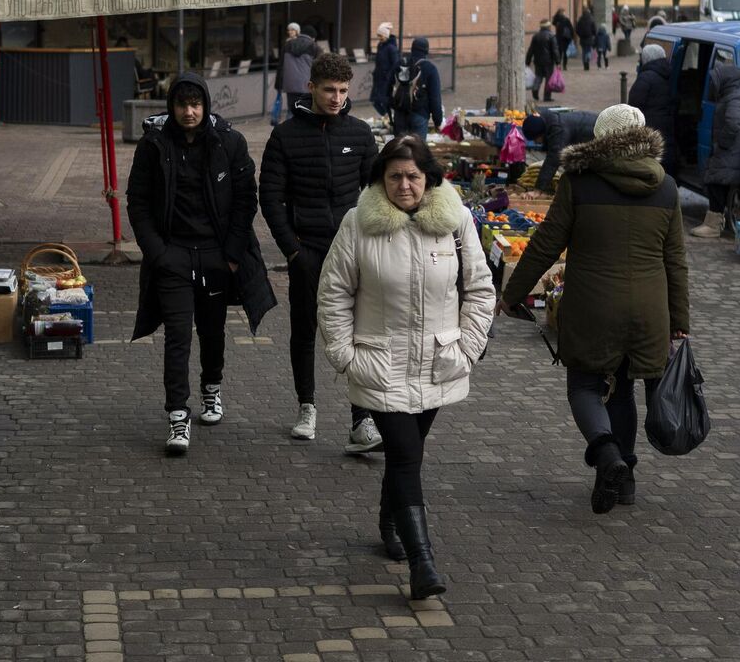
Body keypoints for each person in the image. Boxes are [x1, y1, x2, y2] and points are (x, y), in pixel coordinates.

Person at [316, 136, 494, 599]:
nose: (404, 185)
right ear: (380, 179)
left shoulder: (454, 225)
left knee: (404, 457)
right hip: (380, 366)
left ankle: (388, 521)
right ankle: (423, 562)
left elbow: (479, 288)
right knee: (406, 455)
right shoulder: (358, 225)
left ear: (429, 179)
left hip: (439, 363)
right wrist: (345, 357)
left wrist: (469, 347)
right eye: (394, 176)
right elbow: (333, 293)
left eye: (413, 175)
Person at [498, 105, 690, 513]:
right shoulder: (667, 187)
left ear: (600, 140)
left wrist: (512, 293)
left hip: (592, 307)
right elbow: (675, 261)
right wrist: (680, 322)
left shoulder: (579, 182)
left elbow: (546, 244)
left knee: (585, 387)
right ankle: (627, 482)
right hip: (649, 311)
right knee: (624, 391)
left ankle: (607, 456)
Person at [127, 74, 278, 455]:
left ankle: (212, 389)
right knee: (178, 335)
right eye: (182, 104)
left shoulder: (229, 142)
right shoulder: (153, 145)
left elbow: (247, 199)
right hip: (172, 255)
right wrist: (157, 253)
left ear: (206, 105)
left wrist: (230, 255)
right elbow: (138, 201)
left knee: (212, 331)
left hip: (215, 255)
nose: (189, 112)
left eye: (196, 104)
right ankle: (178, 416)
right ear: (172, 107)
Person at [260, 52, 382, 452]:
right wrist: (292, 250)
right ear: (310, 87)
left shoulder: (361, 134)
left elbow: (375, 193)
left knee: (359, 332)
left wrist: (369, 239)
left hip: (351, 250)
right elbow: (270, 196)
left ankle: (361, 418)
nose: (336, 97)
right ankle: (307, 406)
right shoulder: (285, 136)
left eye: (344, 91)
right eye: (329, 89)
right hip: (307, 249)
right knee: (305, 330)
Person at [689, 64, 740, 238]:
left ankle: (713, 226)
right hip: (727, 152)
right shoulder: (731, 96)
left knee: (716, 184)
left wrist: (722, 143)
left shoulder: (734, 99)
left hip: (728, 152)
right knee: (715, 183)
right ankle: (713, 222)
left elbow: (733, 123)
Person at [626, 42, 677, 176]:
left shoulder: (645, 77)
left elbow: (634, 106)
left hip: (649, 127)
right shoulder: (668, 74)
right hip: (666, 125)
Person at [521, 106, 598, 192]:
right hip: (588, 129)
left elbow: (553, 160)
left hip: (595, 133)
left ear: (541, 134)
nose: (535, 142)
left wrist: (538, 190)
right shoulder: (547, 120)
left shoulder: (558, 130)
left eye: (535, 139)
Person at [390, 37, 443, 140]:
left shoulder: (400, 64)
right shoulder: (430, 68)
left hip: (400, 115)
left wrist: (393, 109)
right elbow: (435, 98)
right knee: (417, 152)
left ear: (412, 49)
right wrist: (438, 121)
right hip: (419, 115)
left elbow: (388, 88)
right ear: (426, 50)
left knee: (400, 150)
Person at [275, 23, 319, 123]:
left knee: (291, 111)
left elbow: (281, 66)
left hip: (290, 85)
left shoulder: (288, 44)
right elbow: (318, 68)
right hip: (306, 85)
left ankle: (288, 134)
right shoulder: (314, 46)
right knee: (306, 110)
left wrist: (278, 85)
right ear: (312, 37)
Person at [370, 22, 402, 123]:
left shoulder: (391, 49)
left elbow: (396, 64)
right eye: (378, 35)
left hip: (386, 80)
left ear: (385, 35)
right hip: (378, 78)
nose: (379, 38)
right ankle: (387, 116)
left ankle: (389, 117)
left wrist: (389, 76)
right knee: (375, 101)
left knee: (383, 100)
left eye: (380, 35)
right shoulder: (381, 46)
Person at [526, 21, 560, 101]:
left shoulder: (536, 36)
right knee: (548, 79)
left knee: (538, 76)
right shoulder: (551, 36)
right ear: (548, 27)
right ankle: (547, 97)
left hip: (537, 61)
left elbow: (531, 50)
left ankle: (535, 89)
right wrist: (558, 62)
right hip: (548, 61)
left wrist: (527, 61)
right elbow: (555, 50)